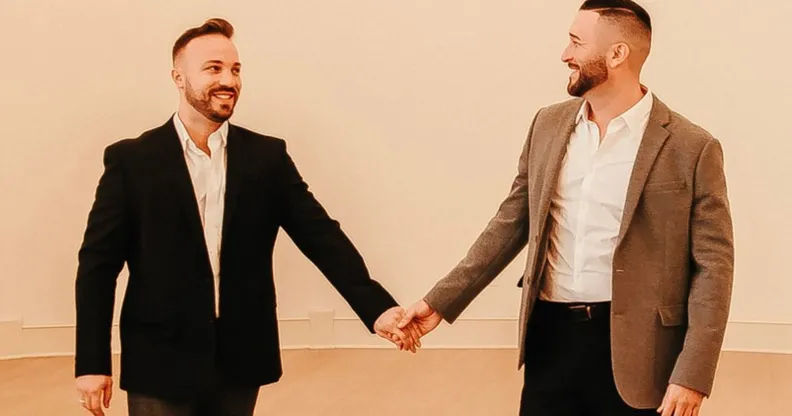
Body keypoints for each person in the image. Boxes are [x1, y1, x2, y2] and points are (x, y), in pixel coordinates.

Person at [398, 1, 734, 415]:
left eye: (576, 42)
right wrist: (438, 302)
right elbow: (509, 224)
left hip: (640, 350)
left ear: (617, 54)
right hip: (550, 339)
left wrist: (693, 373)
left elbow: (714, 267)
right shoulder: (547, 124)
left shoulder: (691, 147)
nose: (564, 54)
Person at [73, 17, 416, 416]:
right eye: (213, 68)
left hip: (239, 359)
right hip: (158, 360)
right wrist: (92, 363)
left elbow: (322, 237)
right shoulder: (131, 161)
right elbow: (97, 266)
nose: (229, 80)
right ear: (178, 78)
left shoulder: (266, 158)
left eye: (235, 69)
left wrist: (376, 308)